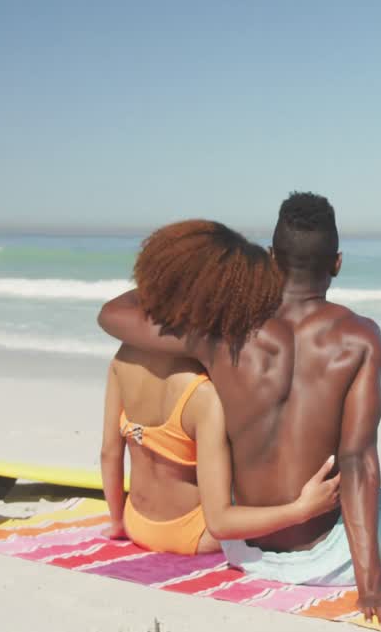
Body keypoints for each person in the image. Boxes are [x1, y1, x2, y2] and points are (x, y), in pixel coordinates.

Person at [98, 193, 381, 627]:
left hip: (244, 548)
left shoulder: (222, 329)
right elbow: (359, 462)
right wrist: (371, 586)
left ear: (270, 258)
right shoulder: (359, 339)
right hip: (330, 556)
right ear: (337, 263)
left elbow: (113, 313)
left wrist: (199, 275)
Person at [99, 219, 341, 554]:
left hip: (136, 521)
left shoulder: (123, 358)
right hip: (193, 536)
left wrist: (117, 523)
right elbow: (221, 523)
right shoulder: (203, 395)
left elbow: (110, 452)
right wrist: (302, 509)